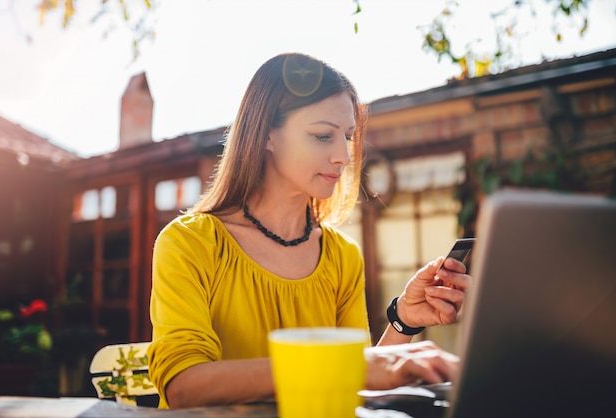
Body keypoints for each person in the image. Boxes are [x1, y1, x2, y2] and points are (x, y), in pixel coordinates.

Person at [147, 52, 472, 409]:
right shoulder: (189, 243)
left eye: (347, 137)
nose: (344, 157)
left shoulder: (342, 256)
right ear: (266, 134)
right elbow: (183, 387)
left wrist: (404, 322)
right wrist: (346, 366)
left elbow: (353, 386)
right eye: (322, 136)